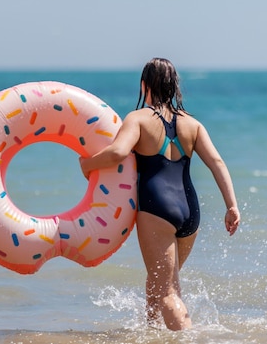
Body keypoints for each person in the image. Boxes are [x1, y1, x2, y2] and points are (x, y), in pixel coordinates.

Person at [79, 58, 240, 330]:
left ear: (145, 84)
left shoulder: (138, 118)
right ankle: (152, 333)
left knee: (168, 291)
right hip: (190, 211)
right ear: (174, 85)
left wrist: (87, 164)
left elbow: (118, 152)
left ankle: (187, 337)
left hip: (157, 208)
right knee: (158, 283)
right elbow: (217, 163)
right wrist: (232, 206)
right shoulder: (193, 124)